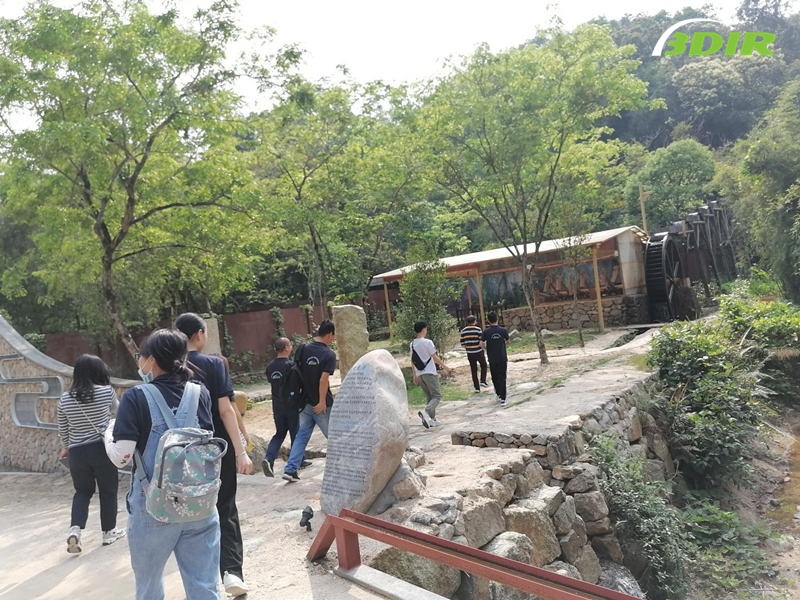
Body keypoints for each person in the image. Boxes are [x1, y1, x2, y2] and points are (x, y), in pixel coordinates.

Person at [106, 329, 220, 600]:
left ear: (152, 360)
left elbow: (122, 456)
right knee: (205, 585)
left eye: (141, 356)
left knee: (149, 586)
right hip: (199, 505)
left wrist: (108, 435)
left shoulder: (136, 397)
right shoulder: (200, 392)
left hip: (153, 509)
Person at [174, 313, 252, 598]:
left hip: (180, 452)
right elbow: (225, 410)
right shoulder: (213, 364)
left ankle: (202, 582)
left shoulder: (168, 367)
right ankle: (231, 572)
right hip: (216, 449)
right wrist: (241, 452)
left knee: (191, 515)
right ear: (199, 334)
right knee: (225, 506)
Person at [57, 354, 124, 554]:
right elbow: (121, 414)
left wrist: (66, 446)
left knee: (82, 491)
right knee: (108, 490)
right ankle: (109, 532)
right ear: (98, 371)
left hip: (77, 453)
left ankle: (75, 530)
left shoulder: (64, 399)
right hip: (101, 448)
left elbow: (63, 429)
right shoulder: (106, 392)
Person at [282, 320, 336, 482]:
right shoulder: (329, 354)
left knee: (301, 436)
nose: (333, 339)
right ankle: (343, 469)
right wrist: (321, 402)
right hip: (320, 406)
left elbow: (295, 371)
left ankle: (290, 469)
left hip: (303, 402)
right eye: (333, 336)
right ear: (329, 334)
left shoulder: (303, 348)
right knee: (335, 437)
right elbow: (323, 380)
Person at [263, 337, 300, 477]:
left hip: (277, 407)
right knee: (295, 434)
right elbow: (296, 385)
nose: (291, 347)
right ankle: (298, 461)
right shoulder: (291, 366)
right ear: (286, 348)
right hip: (291, 405)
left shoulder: (270, 367)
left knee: (279, 433)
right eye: (290, 345)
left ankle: (268, 459)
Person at [411, 321, 451, 428]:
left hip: (420, 374)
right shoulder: (428, 342)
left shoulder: (412, 344)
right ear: (424, 329)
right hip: (429, 372)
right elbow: (434, 357)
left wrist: (414, 375)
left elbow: (412, 361)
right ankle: (425, 412)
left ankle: (432, 420)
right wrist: (445, 366)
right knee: (437, 396)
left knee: (429, 397)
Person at [482, 312, 510, 407]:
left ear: (488, 320)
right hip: (502, 357)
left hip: (492, 358)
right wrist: (501, 344)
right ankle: (503, 398)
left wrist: (486, 348)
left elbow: (481, 343)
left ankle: (498, 394)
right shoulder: (503, 330)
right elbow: (508, 341)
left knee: (495, 377)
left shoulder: (486, 332)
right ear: (497, 319)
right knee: (502, 377)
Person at [460, 315, 488, 393]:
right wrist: (483, 348)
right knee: (484, 365)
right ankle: (483, 380)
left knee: (473, 369)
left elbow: (462, 343)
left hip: (470, 353)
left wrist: (468, 347)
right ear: (474, 321)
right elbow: (481, 341)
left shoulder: (463, 331)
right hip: (478, 351)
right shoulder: (478, 330)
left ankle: (477, 388)